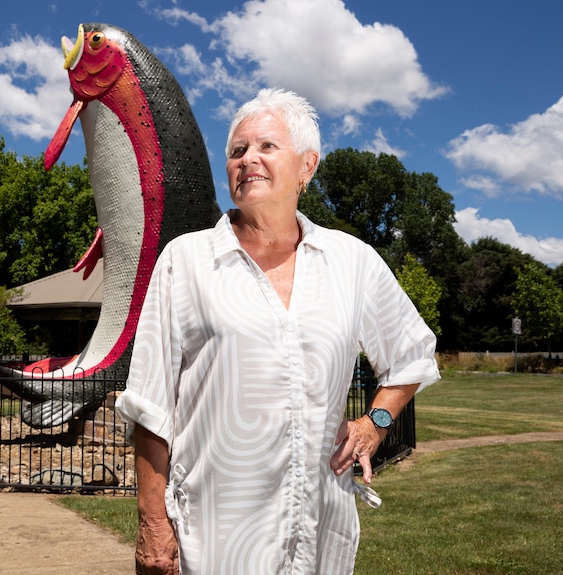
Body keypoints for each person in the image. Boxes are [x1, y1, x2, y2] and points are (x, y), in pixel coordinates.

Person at [115, 87, 440, 574]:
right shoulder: (186, 261)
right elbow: (150, 405)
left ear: (307, 167)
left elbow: (412, 354)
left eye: (266, 146)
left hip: (320, 530)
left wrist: (376, 424)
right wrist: (152, 523)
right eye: (237, 151)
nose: (248, 159)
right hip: (215, 536)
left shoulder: (351, 263)